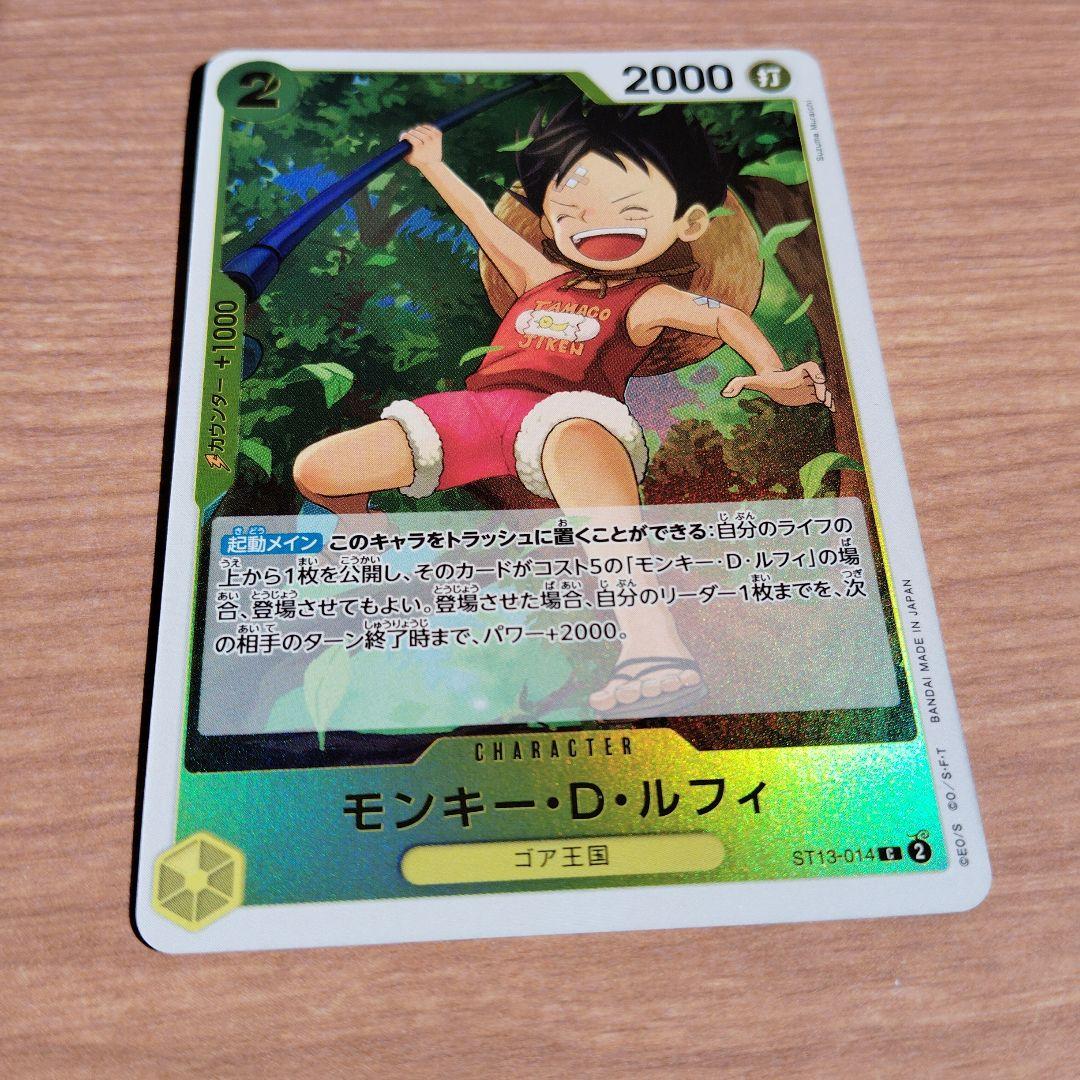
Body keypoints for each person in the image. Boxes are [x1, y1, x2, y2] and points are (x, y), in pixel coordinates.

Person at [294, 100, 833, 717]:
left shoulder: (646, 297)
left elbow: (724, 318)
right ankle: (361, 529)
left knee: (574, 433)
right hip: (479, 411)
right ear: (549, 225)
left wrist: (772, 372)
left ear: (685, 224)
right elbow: (480, 221)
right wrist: (433, 164)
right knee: (317, 469)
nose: (597, 225)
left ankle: (655, 646)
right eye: (573, 212)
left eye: (629, 211)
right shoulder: (539, 275)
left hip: (567, 418)